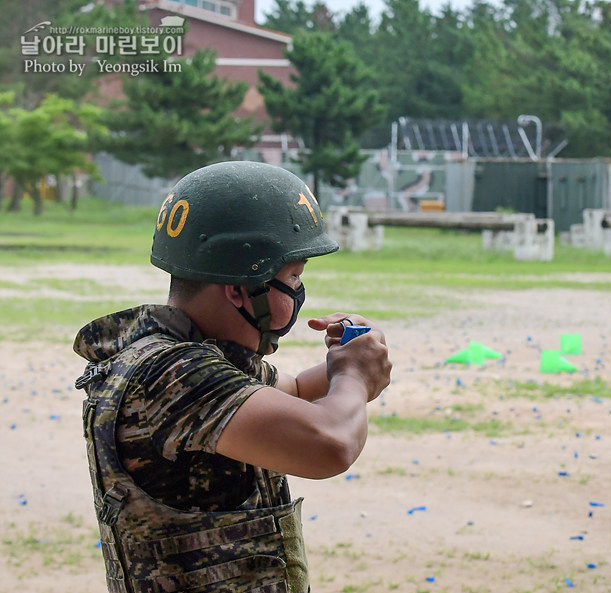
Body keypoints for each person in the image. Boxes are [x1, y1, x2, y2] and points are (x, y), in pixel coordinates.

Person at [73, 161, 392, 593]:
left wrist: (353, 355)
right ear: (241, 288)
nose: (299, 294)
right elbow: (330, 443)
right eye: (293, 277)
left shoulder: (192, 357)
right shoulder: (173, 376)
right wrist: (354, 378)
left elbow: (294, 392)